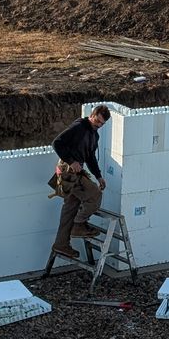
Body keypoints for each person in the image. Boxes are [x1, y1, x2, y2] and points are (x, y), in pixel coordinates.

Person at [50, 105, 112, 259]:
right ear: (92, 115)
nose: (98, 125)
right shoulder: (79, 126)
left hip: (76, 171)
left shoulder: (94, 135)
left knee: (69, 210)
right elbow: (57, 143)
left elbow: (90, 157)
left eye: (101, 124)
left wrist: (98, 176)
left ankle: (61, 244)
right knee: (95, 194)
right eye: (97, 121)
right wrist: (71, 161)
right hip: (68, 170)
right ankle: (78, 224)